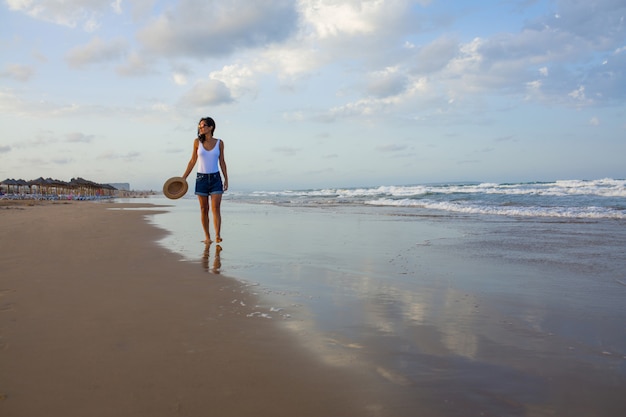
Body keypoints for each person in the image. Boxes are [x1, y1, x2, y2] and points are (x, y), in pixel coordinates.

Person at [182, 117, 229, 243]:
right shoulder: (197, 142)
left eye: (203, 126)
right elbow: (192, 161)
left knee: (216, 208)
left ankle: (217, 235)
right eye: (200, 126)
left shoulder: (220, 143)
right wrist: (183, 178)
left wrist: (226, 178)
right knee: (204, 209)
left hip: (215, 179)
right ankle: (207, 237)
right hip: (201, 179)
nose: (201, 128)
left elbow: (222, 161)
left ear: (211, 127)